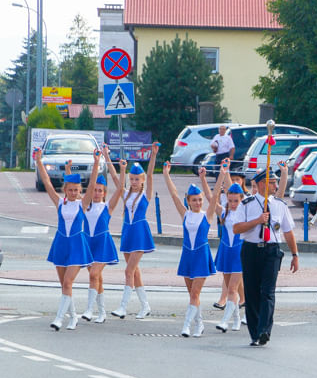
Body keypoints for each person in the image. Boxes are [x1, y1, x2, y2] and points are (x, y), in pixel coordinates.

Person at [232, 169, 300, 346]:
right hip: (251, 250)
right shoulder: (246, 204)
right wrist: (257, 221)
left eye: (276, 182)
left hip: (271, 251)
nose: (276, 185)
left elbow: (287, 231)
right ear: (262, 184)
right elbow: (236, 228)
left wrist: (295, 254)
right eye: (272, 182)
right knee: (252, 292)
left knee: (268, 292)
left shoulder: (279, 205)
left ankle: (264, 330)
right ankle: (254, 333)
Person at [35, 148, 99, 331]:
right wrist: (39, 161)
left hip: (77, 245)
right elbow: (47, 183)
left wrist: (95, 163)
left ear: (80, 191)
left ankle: (59, 318)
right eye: (70, 190)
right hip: (61, 243)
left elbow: (93, 183)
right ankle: (73, 317)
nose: (72, 193)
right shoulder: (59, 202)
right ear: (65, 190)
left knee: (68, 282)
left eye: (76, 190)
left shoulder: (82, 204)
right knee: (64, 284)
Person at [164, 161, 220, 337]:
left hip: (201, 256)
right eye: (194, 200)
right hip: (187, 255)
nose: (197, 203)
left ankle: (186, 326)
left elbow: (216, 195)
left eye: (200, 200)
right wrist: (166, 174)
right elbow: (173, 195)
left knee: (195, 292)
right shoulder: (186, 214)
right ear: (188, 201)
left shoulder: (207, 215)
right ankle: (200, 323)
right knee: (192, 294)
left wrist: (219, 175)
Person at [112, 142, 159, 320]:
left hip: (139, 233)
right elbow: (116, 180)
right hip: (127, 232)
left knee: (128, 271)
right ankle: (145, 305)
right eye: (132, 179)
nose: (134, 182)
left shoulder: (145, 195)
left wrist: (153, 155)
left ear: (142, 181)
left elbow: (151, 175)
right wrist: (109, 159)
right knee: (134, 271)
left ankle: (123, 307)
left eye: (137, 179)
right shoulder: (125, 194)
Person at [79, 145, 124, 323]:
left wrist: (121, 169)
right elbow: (89, 185)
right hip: (88, 243)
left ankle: (89, 309)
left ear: (104, 193)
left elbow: (120, 189)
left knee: (93, 275)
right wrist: (96, 162)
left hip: (103, 244)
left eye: (100, 191)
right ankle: (102, 312)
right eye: (95, 190)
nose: (96, 193)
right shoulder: (84, 206)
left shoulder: (107, 207)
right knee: (97, 278)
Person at [212, 160, 247, 333]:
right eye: (231, 200)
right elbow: (211, 197)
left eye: (236, 200)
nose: (233, 203)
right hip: (226, 251)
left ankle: (225, 321)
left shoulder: (246, 212)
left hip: (239, 253)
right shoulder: (224, 212)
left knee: (232, 289)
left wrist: (226, 175)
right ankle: (237, 319)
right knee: (229, 286)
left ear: (242, 199)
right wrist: (222, 173)